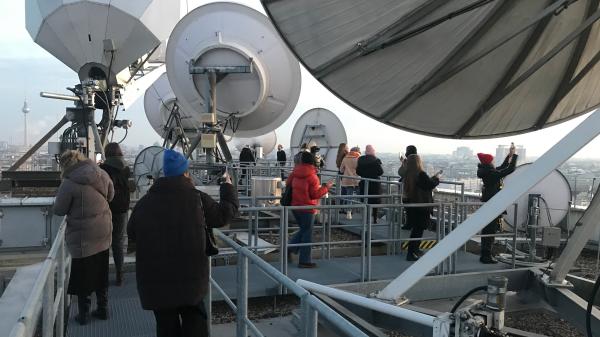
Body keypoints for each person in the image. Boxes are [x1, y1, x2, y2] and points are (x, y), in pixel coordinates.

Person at [128, 149, 239, 337]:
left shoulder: (144, 203)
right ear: (185, 173)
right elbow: (224, 215)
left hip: (157, 282)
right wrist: (227, 188)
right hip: (191, 280)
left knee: (166, 327)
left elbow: (132, 233)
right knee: (195, 324)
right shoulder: (198, 199)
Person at [54, 150, 114, 325]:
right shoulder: (101, 173)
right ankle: (103, 309)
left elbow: (59, 210)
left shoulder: (69, 182)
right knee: (102, 271)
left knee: (82, 276)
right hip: (103, 230)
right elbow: (111, 196)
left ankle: (84, 314)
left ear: (65, 165)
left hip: (83, 237)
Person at [287, 151, 333, 268]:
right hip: (307, 208)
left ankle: (290, 248)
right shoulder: (313, 176)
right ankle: (304, 261)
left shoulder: (295, 172)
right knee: (307, 233)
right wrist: (326, 187)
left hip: (295, 206)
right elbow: (314, 194)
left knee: (304, 230)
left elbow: (288, 184)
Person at [477, 145, 518, 264]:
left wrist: (509, 156)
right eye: (493, 160)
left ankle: (485, 254)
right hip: (493, 204)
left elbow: (502, 168)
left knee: (488, 230)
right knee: (490, 231)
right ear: (490, 162)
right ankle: (486, 256)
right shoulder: (491, 173)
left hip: (489, 203)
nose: (494, 161)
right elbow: (509, 169)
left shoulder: (488, 171)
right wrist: (514, 156)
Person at [99, 143, 131, 286]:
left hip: (106, 208)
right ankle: (120, 274)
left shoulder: (102, 170)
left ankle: (102, 275)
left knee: (104, 242)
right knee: (118, 242)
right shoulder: (126, 168)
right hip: (122, 209)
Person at [403, 154, 440, 261]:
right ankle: (411, 252)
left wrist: (431, 179)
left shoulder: (408, 174)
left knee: (417, 228)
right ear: (419, 162)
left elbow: (424, 183)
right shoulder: (420, 173)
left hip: (412, 204)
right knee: (418, 229)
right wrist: (436, 179)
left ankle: (415, 250)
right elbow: (428, 185)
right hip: (422, 204)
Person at [356, 145, 384, 223]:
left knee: (365, 201)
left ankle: (365, 218)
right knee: (375, 201)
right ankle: (374, 219)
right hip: (375, 184)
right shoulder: (376, 160)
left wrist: (364, 174)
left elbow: (357, 171)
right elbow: (381, 172)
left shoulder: (360, 159)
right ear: (372, 151)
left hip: (364, 183)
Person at [339, 146, 360, 219]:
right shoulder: (358, 158)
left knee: (349, 196)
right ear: (357, 151)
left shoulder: (345, 158)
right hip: (356, 179)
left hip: (347, 179)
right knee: (361, 196)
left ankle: (348, 213)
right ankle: (365, 212)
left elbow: (341, 170)